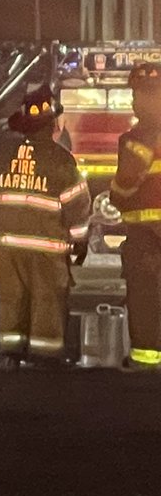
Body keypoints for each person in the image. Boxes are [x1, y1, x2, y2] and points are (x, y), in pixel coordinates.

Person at [0, 84, 90, 368]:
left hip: (7, 248)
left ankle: (12, 355)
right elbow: (76, 206)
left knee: (12, 300)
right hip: (46, 250)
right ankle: (44, 358)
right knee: (47, 301)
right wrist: (79, 241)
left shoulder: (4, 155)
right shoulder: (61, 160)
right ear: (53, 123)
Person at [109, 62, 161, 370]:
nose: (133, 101)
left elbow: (124, 187)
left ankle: (146, 360)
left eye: (137, 94)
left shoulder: (135, 139)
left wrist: (115, 194)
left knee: (145, 298)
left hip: (145, 236)